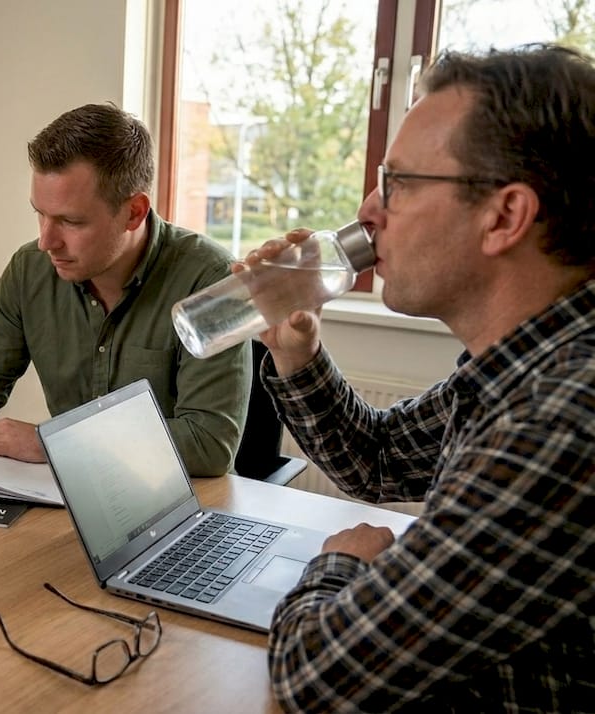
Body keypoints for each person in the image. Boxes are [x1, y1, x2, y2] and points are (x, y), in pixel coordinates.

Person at [259, 45, 595, 711]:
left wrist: (345, 562)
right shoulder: (526, 364)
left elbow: (318, 678)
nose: (369, 213)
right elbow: (376, 460)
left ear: (504, 217)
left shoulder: (563, 419)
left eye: (400, 183)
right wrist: (295, 346)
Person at [0, 103, 248, 476]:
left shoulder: (211, 282)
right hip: (71, 494)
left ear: (134, 212)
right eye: (39, 214)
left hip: (186, 509)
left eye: (70, 221)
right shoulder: (30, 270)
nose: (46, 241)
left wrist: (54, 441)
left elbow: (208, 443)